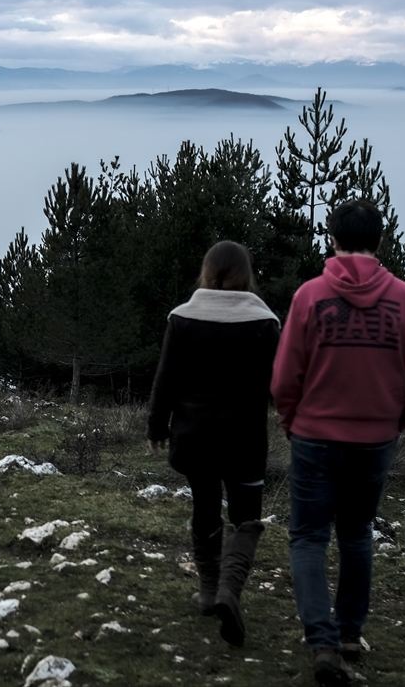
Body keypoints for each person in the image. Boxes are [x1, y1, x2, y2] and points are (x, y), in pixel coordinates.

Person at [272, 199, 405, 685]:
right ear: (380, 241)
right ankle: (349, 633)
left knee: (307, 537)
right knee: (355, 534)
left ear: (333, 239)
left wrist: (292, 421)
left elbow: (284, 378)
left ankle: (322, 642)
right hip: (373, 441)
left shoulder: (309, 296)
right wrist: (394, 422)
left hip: (313, 436)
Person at [147, 241, 281, 648]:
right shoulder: (264, 322)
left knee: (204, 507)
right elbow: (280, 384)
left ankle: (208, 592)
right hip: (244, 439)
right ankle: (229, 592)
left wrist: (157, 424)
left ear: (206, 271)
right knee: (246, 519)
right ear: (247, 274)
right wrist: (295, 419)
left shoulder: (182, 318)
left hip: (194, 437)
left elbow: (165, 378)